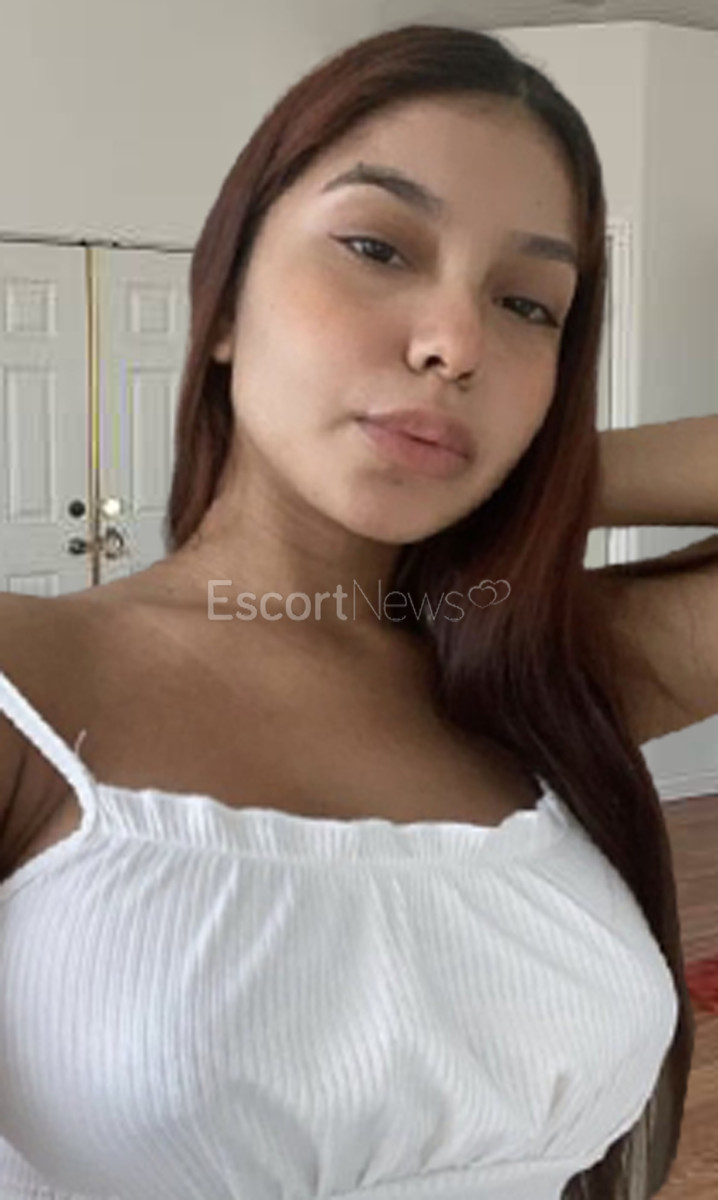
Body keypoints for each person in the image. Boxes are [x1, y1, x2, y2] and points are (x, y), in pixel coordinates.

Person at [0, 22, 695, 1200]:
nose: (456, 344)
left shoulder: (535, 675)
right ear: (224, 303)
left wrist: (533, 478)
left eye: (528, 305)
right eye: (376, 246)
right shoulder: (27, 690)